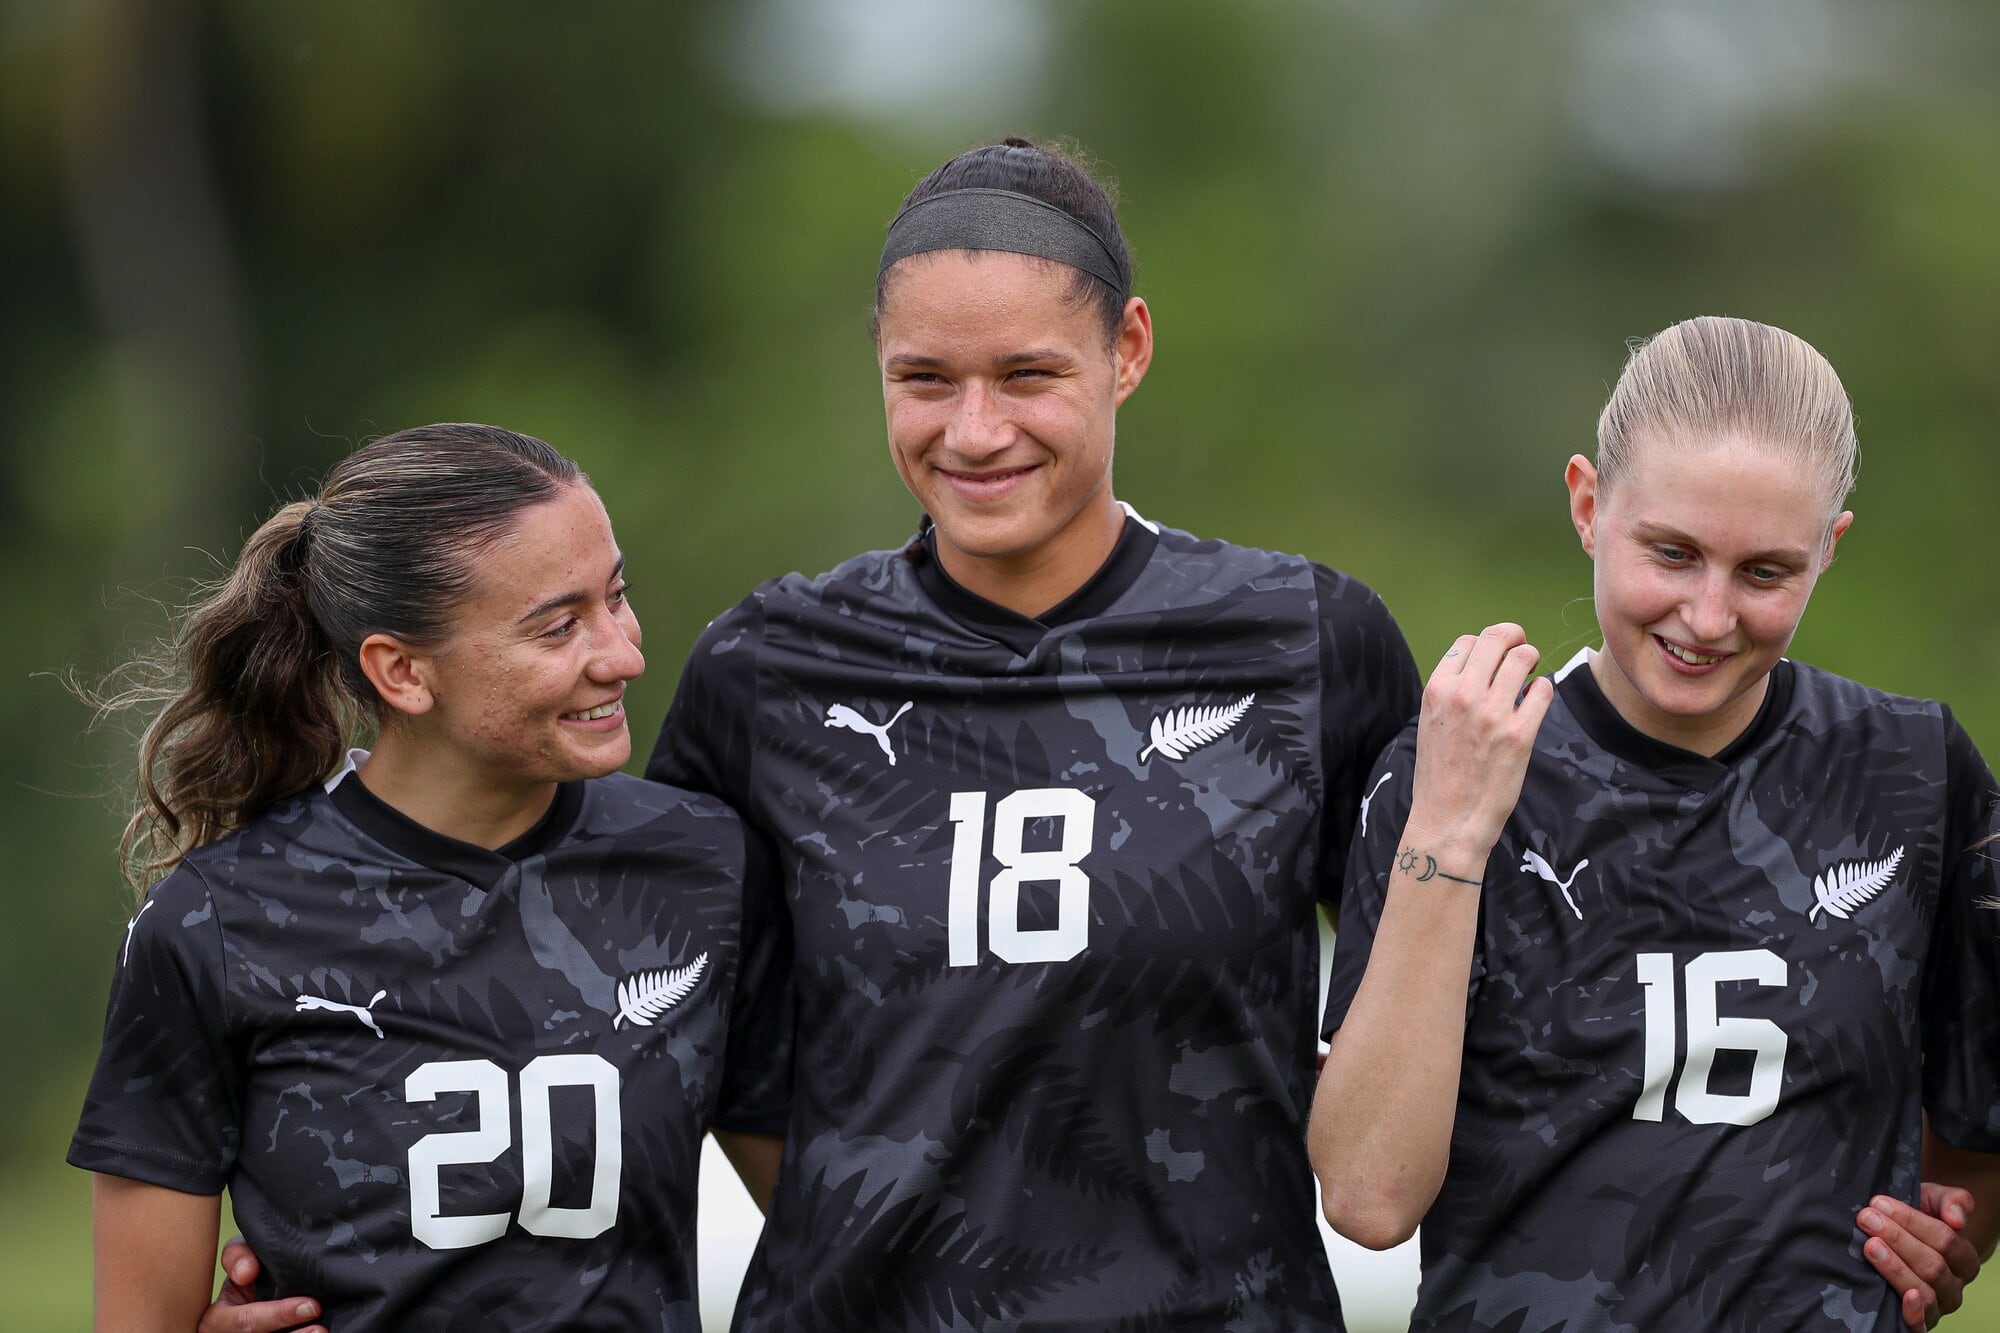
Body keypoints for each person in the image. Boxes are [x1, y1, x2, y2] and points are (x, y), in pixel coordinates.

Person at [1310, 317, 2000, 1331]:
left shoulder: (1914, 771)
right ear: (1588, 504)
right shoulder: (1446, 769)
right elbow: (1367, 1198)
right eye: (1669, 553)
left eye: (1764, 572)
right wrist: (1452, 837)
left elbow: (1973, 1132)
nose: (1708, 616)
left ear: (1827, 548)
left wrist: (1947, 1237)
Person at [71, 424, 777, 1332]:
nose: (624, 653)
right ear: (401, 671)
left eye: (617, 597)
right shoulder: (213, 923)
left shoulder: (706, 865)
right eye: (559, 626)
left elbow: (834, 1226)